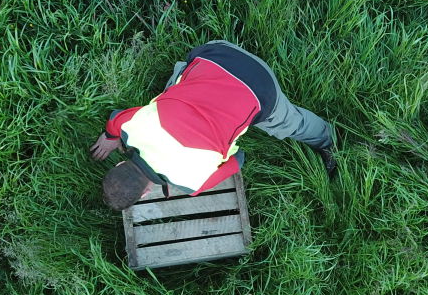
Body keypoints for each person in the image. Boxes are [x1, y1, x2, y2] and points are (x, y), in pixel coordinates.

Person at [90, 40, 336, 210]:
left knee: (289, 123)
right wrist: (111, 137)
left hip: (260, 89)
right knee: (174, 87)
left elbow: (238, 159)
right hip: (217, 54)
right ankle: (185, 76)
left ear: (145, 193)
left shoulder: (192, 183)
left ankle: (329, 139)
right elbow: (115, 119)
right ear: (122, 162)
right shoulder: (132, 127)